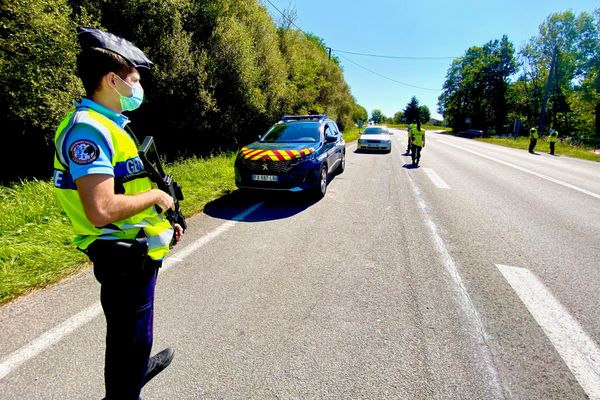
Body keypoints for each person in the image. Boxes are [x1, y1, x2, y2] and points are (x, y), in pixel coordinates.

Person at [52, 27, 184, 399]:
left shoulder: (111, 124)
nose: (139, 88)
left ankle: (138, 368)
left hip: (138, 250)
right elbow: (102, 208)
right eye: (135, 80)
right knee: (126, 340)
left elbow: (129, 189)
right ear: (112, 80)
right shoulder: (87, 131)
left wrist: (166, 221)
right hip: (120, 256)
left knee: (136, 332)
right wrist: (158, 196)